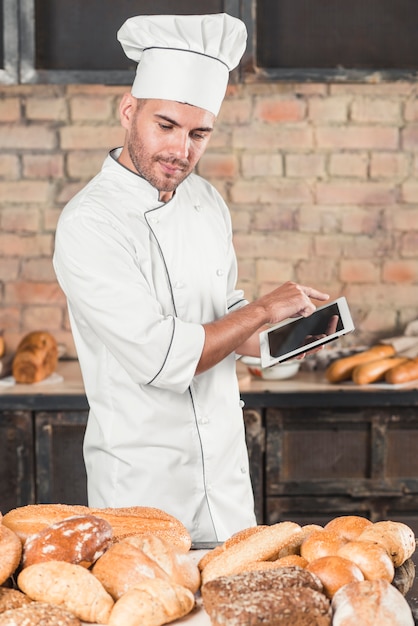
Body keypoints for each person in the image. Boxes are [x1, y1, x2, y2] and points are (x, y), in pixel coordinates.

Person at [53, 13, 329, 543]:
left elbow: (227, 321)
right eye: (167, 126)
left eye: (199, 133)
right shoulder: (89, 223)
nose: (182, 151)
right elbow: (164, 357)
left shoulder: (204, 200)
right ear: (128, 110)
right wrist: (265, 309)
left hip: (225, 485)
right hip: (143, 490)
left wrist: (291, 338)